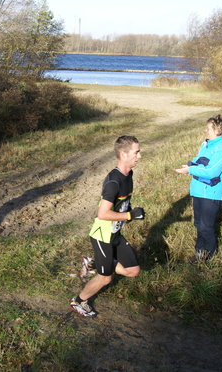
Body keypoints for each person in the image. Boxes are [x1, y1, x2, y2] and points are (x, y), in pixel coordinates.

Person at [70, 136, 145, 318]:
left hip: (115, 233)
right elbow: (102, 213)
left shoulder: (129, 175)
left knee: (133, 270)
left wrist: (129, 211)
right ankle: (79, 301)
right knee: (106, 278)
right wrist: (129, 215)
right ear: (123, 154)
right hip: (102, 236)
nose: (140, 156)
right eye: (136, 152)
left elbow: (121, 203)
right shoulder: (113, 182)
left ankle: (94, 262)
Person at [175, 115, 222, 263]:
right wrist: (189, 166)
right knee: (198, 224)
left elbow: (212, 171)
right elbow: (198, 161)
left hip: (212, 194)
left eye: (208, 128)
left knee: (206, 226)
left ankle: (210, 256)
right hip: (199, 190)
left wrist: (190, 170)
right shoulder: (206, 144)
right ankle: (199, 253)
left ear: (217, 131)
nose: (205, 130)